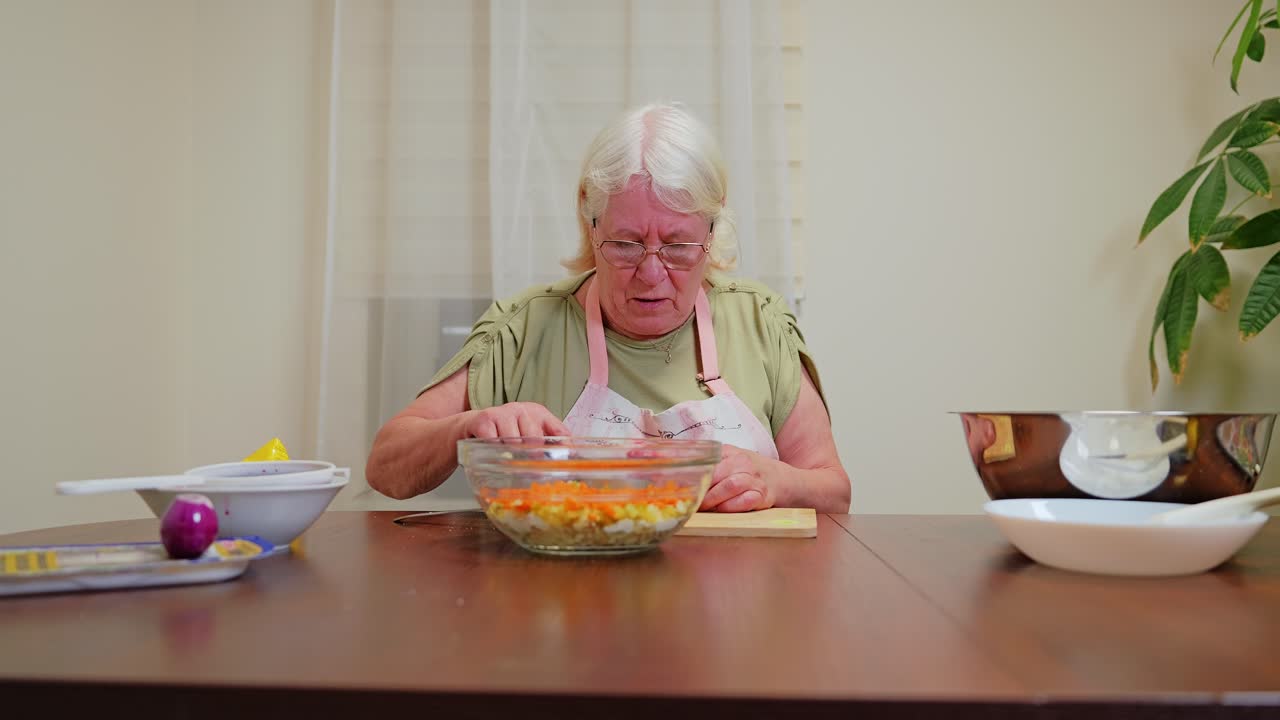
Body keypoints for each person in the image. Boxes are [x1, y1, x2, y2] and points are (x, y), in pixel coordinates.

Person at [366, 102, 850, 513]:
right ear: (589, 218)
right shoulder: (523, 330)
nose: (652, 273)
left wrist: (776, 481)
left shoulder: (758, 323)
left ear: (713, 224)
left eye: (679, 245)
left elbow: (834, 490)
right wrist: (467, 427)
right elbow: (387, 468)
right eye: (626, 243)